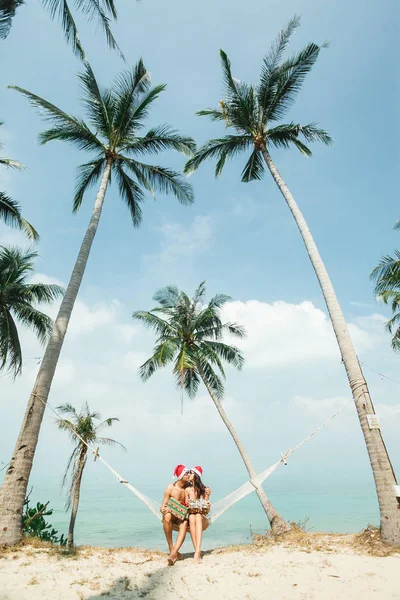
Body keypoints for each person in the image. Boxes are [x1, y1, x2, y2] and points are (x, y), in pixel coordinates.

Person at [160, 464, 190, 563]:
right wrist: (164, 509)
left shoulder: (187, 488)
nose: (188, 475)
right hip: (171, 515)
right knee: (167, 515)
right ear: (181, 476)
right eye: (186, 474)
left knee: (185, 523)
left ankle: (173, 554)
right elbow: (162, 506)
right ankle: (172, 548)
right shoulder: (170, 488)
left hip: (182, 516)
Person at [185, 466, 210, 564]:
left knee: (198, 516)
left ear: (196, 475)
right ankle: (197, 551)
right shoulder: (187, 490)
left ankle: (197, 550)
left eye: (190, 473)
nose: (188, 475)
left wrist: (207, 503)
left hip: (202, 518)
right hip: (192, 516)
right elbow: (187, 507)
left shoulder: (205, 490)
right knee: (192, 516)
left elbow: (206, 510)